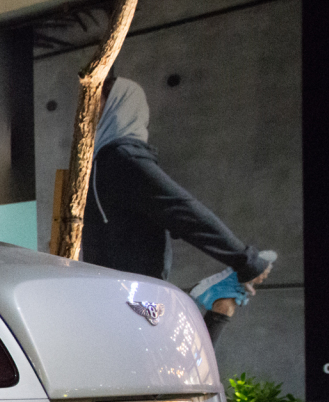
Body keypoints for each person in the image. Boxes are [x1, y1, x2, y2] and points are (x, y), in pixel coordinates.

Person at [82, 76, 272, 342]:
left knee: (170, 370)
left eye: (96, 103)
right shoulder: (108, 161)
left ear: (117, 105)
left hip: (131, 299)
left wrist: (245, 260)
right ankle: (220, 302)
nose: (87, 113)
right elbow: (178, 210)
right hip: (127, 298)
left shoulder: (120, 159)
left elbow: (181, 210)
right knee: (169, 370)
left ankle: (221, 302)